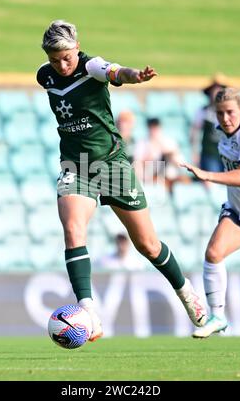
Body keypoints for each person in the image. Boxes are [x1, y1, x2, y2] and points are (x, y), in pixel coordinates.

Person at [37, 19, 207, 342]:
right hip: (76, 165)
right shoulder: (44, 75)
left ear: (77, 47)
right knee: (73, 229)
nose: (61, 64)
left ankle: (187, 293)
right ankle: (88, 312)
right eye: (54, 57)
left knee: (147, 245)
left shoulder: (91, 66)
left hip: (112, 164)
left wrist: (135, 76)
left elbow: (117, 72)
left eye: (67, 56)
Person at [181, 87, 240, 338]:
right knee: (214, 253)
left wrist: (208, 175)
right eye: (220, 114)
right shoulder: (222, 132)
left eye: (230, 113)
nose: (225, 118)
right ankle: (218, 316)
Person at [190, 74, 228, 179]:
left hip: (226, 154)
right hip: (209, 153)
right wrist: (195, 152)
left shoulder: (228, 113)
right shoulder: (203, 111)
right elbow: (195, 132)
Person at [134, 117, 187, 192]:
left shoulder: (169, 142)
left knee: (184, 181)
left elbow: (180, 164)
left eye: (156, 127)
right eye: (151, 127)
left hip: (171, 178)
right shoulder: (142, 144)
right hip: (152, 179)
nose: (154, 130)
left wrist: (170, 154)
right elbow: (138, 165)